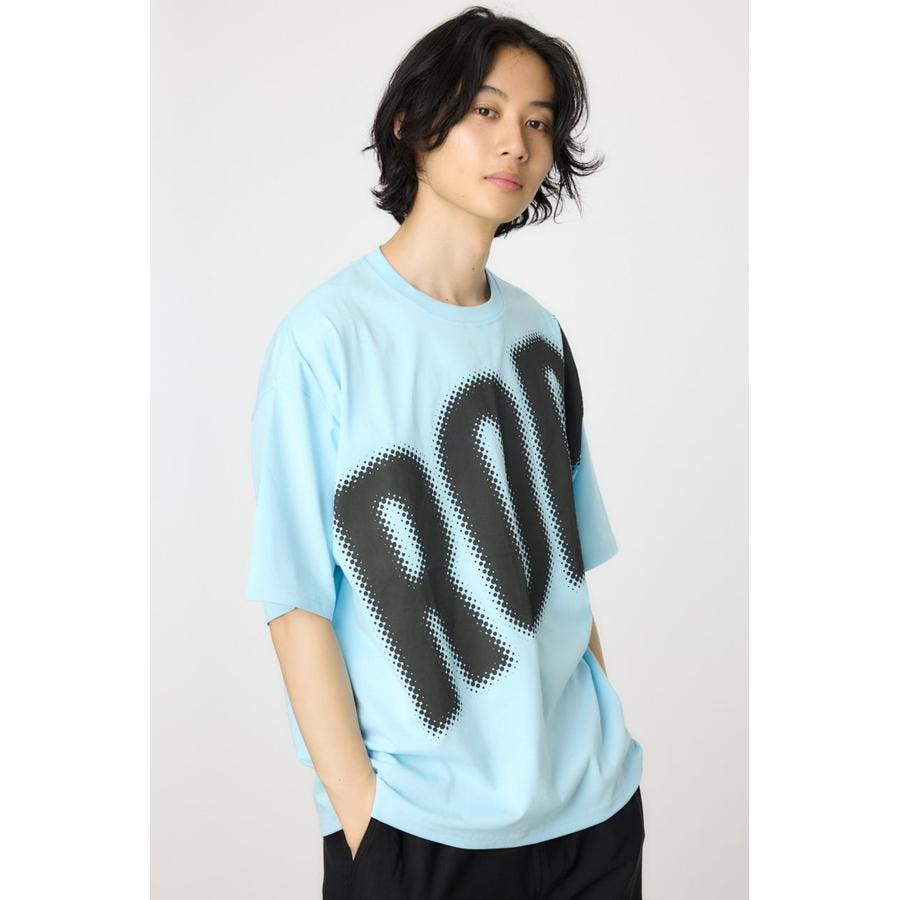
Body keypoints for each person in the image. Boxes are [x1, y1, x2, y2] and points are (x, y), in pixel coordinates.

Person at [244, 6, 644, 898]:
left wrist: (601, 749)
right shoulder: (326, 339)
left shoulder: (541, 336)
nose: (515, 143)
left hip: (590, 817)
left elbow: (566, 578)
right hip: (417, 831)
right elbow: (295, 599)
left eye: (538, 122)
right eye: (486, 111)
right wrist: (363, 817)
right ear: (412, 124)